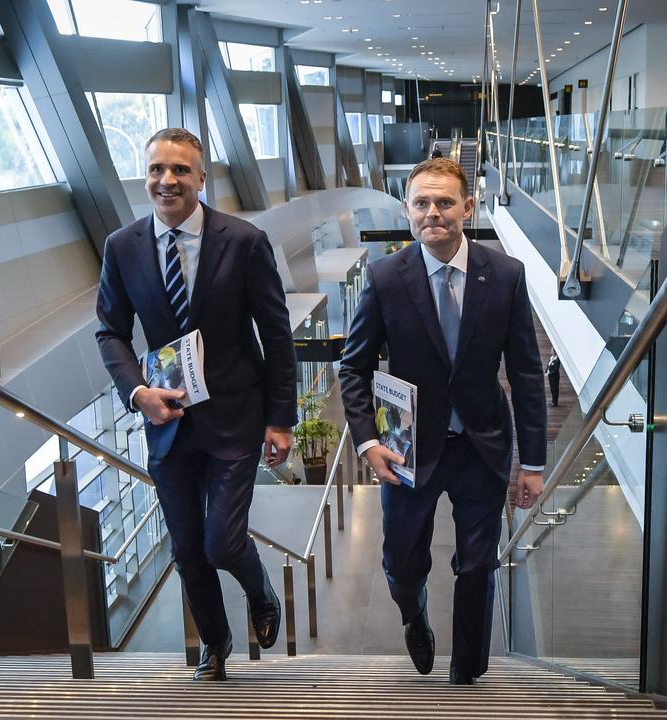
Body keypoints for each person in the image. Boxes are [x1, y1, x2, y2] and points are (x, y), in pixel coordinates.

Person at [96, 128, 297, 681]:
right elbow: (110, 331)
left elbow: (277, 336)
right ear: (145, 176)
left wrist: (281, 419)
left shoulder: (244, 241)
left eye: (181, 170)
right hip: (168, 423)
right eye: (158, 169)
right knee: (187, 549)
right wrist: (138, 392)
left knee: (222, 541)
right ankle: (216, 644)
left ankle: (260, 592)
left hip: (236, 415)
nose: (168, 180)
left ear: (201, 178)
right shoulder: (122, 247)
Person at [339, 158, 546, 685]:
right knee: (402, 565)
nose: (434, 212)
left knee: (478, 565)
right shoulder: (386, 276)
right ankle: (414, 612)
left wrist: (533, 463)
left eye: (445, 202)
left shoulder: (505, 275)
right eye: (422, 203)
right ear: (408, 211)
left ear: (467, 208)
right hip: (407, 448)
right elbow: (354, 368)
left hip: (481, 444)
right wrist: (367, 443)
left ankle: (466, 675)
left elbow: (525, 373)